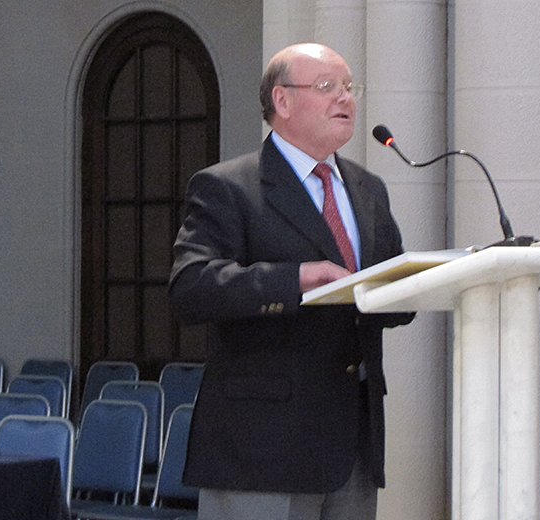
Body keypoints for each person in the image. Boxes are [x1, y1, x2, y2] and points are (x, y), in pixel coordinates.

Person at [168, 42, 415, 520]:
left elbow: (392, 295)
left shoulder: (368, 189)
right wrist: (295, 280)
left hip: (352, 447)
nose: (345, 98)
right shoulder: (228, 186)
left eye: (349, 87)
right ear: (282, 101)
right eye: (327, 87)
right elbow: (191, 287)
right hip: (262, 449)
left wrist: (420, 283)